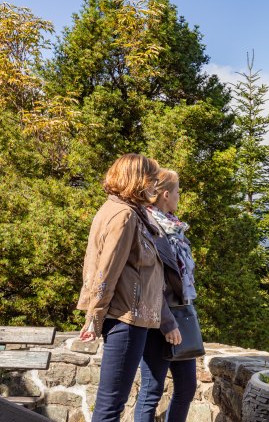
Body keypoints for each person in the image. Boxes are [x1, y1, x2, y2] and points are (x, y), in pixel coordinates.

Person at [77, 153, 170, 422]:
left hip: (128, 317)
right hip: (126, 318)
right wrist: (94, 316)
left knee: (112, 403)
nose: (155, 184)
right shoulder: (125, 215)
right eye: (151, 178)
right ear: (136, 179)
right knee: (110, 406)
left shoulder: (123, 210)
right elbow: (106, 270)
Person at [135, 168, 198, 422]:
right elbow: (147, 281)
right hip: (157, 321)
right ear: (164, 194)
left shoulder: (173, 227)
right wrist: (166, 322)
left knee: (187, 386)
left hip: (181, 314)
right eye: (177, 192)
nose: (179, 197)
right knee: (151, 391)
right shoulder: (149, 227)